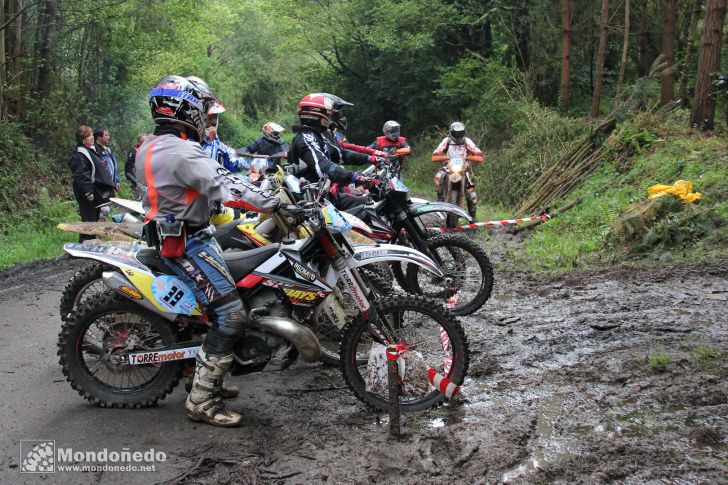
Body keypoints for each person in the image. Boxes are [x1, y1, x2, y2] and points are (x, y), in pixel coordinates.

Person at [137, 75, 298, 427]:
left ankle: (219, 376)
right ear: (187, 109)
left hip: (188, 235)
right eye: (204, 108)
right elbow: (224, 184)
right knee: (230, 314)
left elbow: (222, 175)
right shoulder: (179, 150)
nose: (207, 115)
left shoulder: (155, 144)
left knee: (235, 292)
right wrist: (275, 205)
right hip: (185, 244)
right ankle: (202, 399)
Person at [286, 93, 375, 209]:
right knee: (368, 207)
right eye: (328, 113)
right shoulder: (306, 138)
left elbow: (340, 154)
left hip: (325, 198)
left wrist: (370, 158)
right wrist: (354, 177)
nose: (329, 117)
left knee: (371, 202)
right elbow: (322, 165)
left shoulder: (316, 136)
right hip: (313, 204)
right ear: (319, 115)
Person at [67, 125, 116, 241]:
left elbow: (93, 168)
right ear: (82, 139)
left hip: (96, 192)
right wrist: (88, 192)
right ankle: (86, 244)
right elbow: (81, 175)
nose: (92, 137)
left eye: (91, 135)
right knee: (89, 220)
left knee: (93, 220)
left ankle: (90, 242)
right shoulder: (78, 155)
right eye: (89, 136)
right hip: (87, 194)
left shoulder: (91, 150)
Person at [193, 83, 249, 174]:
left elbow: (229, 160)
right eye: (210, 117)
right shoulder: (183, 141)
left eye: (215, 117)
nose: (213, 122)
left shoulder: (213, 141)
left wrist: (240, 162)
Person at [432, 121, 483, 218]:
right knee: (439, 176)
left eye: (461, 133)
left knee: (471, 194)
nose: (459, 135)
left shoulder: (467, 141)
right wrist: (443, 157)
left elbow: (479, 155)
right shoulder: (447, 141)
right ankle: (440, 199)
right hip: (448, 168)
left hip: (464, 169)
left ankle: (473, 217)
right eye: (456, 133)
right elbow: (435, 155)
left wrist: (470, 157)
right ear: (452, 132)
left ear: (464, 132)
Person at [94, 127, 120, 202]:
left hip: (111, 183)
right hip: (102, 185)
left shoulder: (107, 149)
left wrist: (117, 180)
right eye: (106, 135)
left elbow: (114, 165)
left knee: (110, 204)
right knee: (105, 207)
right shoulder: (95, 149)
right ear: (99, 137)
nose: (109, 137)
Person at [125, 133, 150, 200]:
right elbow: (128, 171)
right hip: (138, 184)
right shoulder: (133, 152)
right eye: (144, 141)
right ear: (139, 142)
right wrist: (136, 182)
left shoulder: (149, 151)